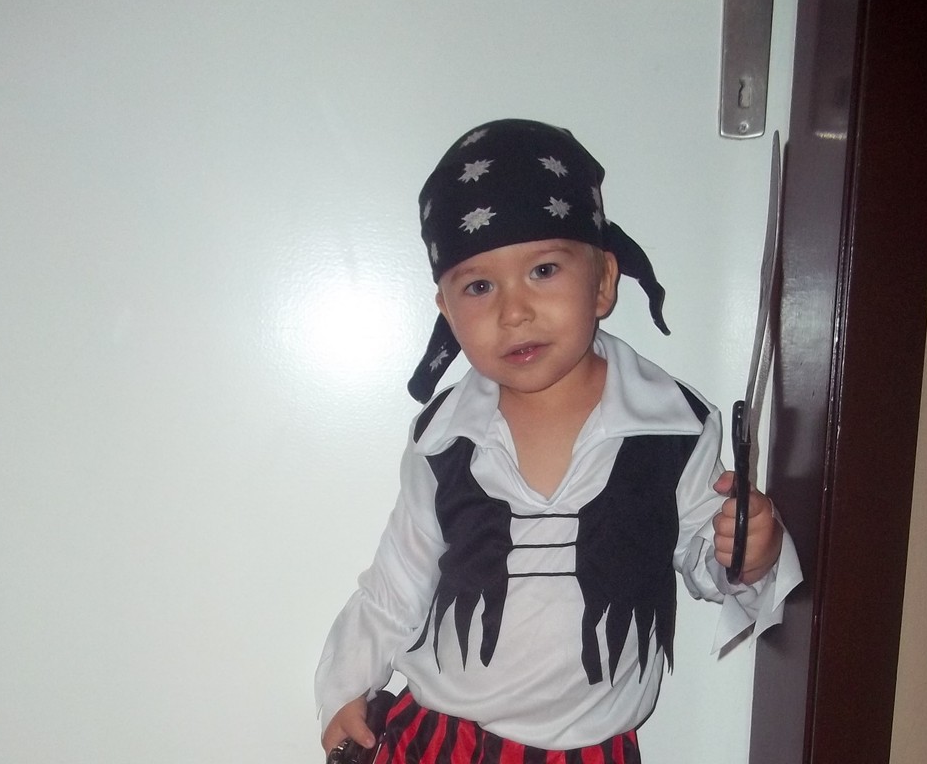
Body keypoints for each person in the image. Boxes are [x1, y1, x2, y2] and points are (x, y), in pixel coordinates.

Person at [315, 119, 802, 764]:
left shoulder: (673, 429)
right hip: (443, 738)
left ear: (602, 281)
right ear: (447, 310)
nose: (513, 311)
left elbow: (704, 558)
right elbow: (396, 582)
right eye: (479, 287)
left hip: (588, 749)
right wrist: (346, 685)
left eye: (543, 270)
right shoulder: (442, 439)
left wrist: (746, 553)